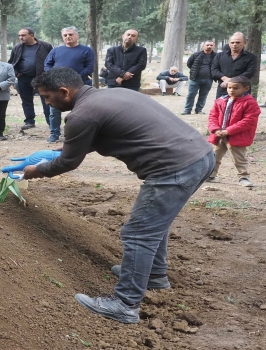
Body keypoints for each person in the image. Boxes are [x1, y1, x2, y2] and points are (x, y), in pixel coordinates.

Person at [25, 67, 214, 324]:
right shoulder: (109, 95)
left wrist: (33, 171)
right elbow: (110, 131)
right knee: (154, 224)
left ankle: (125, 304)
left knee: (139, 233)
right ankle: (154, 275)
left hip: (173, 168)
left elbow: (67, 164)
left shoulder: (82, 115)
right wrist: (71, 146)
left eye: (47, 97)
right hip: (200, 156)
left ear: (64, 92)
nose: (47, 103)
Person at [43, 26, 94, 143]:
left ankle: (78, 134)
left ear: (77, 36)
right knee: (54, 111)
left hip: (79, 85)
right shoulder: (55, 51)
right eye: (65, 35)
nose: (68, 37)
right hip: (57, 85)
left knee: (80, 111)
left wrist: (74, 78)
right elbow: (47, 65)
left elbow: (90, 67)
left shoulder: (87, 50)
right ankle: (54, 133)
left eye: (70, 34)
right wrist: (54, 76)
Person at [207, 76, 260, 187]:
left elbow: (248, 121)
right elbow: (213, 116)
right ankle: (210, 175)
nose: (231, 90)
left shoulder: (250, 103)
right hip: (220, 135)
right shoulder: (221, 100)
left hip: (237, 136)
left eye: (236, 88)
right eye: (229, 87)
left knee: (239, 158)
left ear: (245, 89)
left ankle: (243, 177)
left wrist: (229, 131)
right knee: (214, 156)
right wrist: (215, 129)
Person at [8, 28, 52, 130]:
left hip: (42, 78)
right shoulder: (17, 48)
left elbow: (52, 59)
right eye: (19, 35)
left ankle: (50, 122)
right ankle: (29, 121)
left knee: (46, 100)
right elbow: (12, 63)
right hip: (23, 78)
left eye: (23, 35)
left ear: (31, 35)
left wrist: (49, 73)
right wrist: (15, 73)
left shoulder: (45, 46)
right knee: (26, 101)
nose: (21, 37)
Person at [211, 32, 257, 99]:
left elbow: (250, 72)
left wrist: (231, 81)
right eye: (232, 42)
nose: (234, 44)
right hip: (224, 88)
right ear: (229, 43)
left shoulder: (251, 57)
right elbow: (214, 70)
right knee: (221, 108)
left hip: (241, 90)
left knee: (240, 109)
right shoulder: (220, 56)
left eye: (238, 42)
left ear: (245, 43)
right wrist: (225, 79)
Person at [182, 40, 216, 115]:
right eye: (207, 45)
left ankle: (199, 110)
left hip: (208, 79)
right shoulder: (196, 55)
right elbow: (189, 64)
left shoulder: (216, 56)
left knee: (203, 95)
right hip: (195, 79)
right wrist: (195, 71)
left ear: (213, 46)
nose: (209, 46)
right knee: (191, 94)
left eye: (211, 45)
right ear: (203, 46)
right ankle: (187, 110)